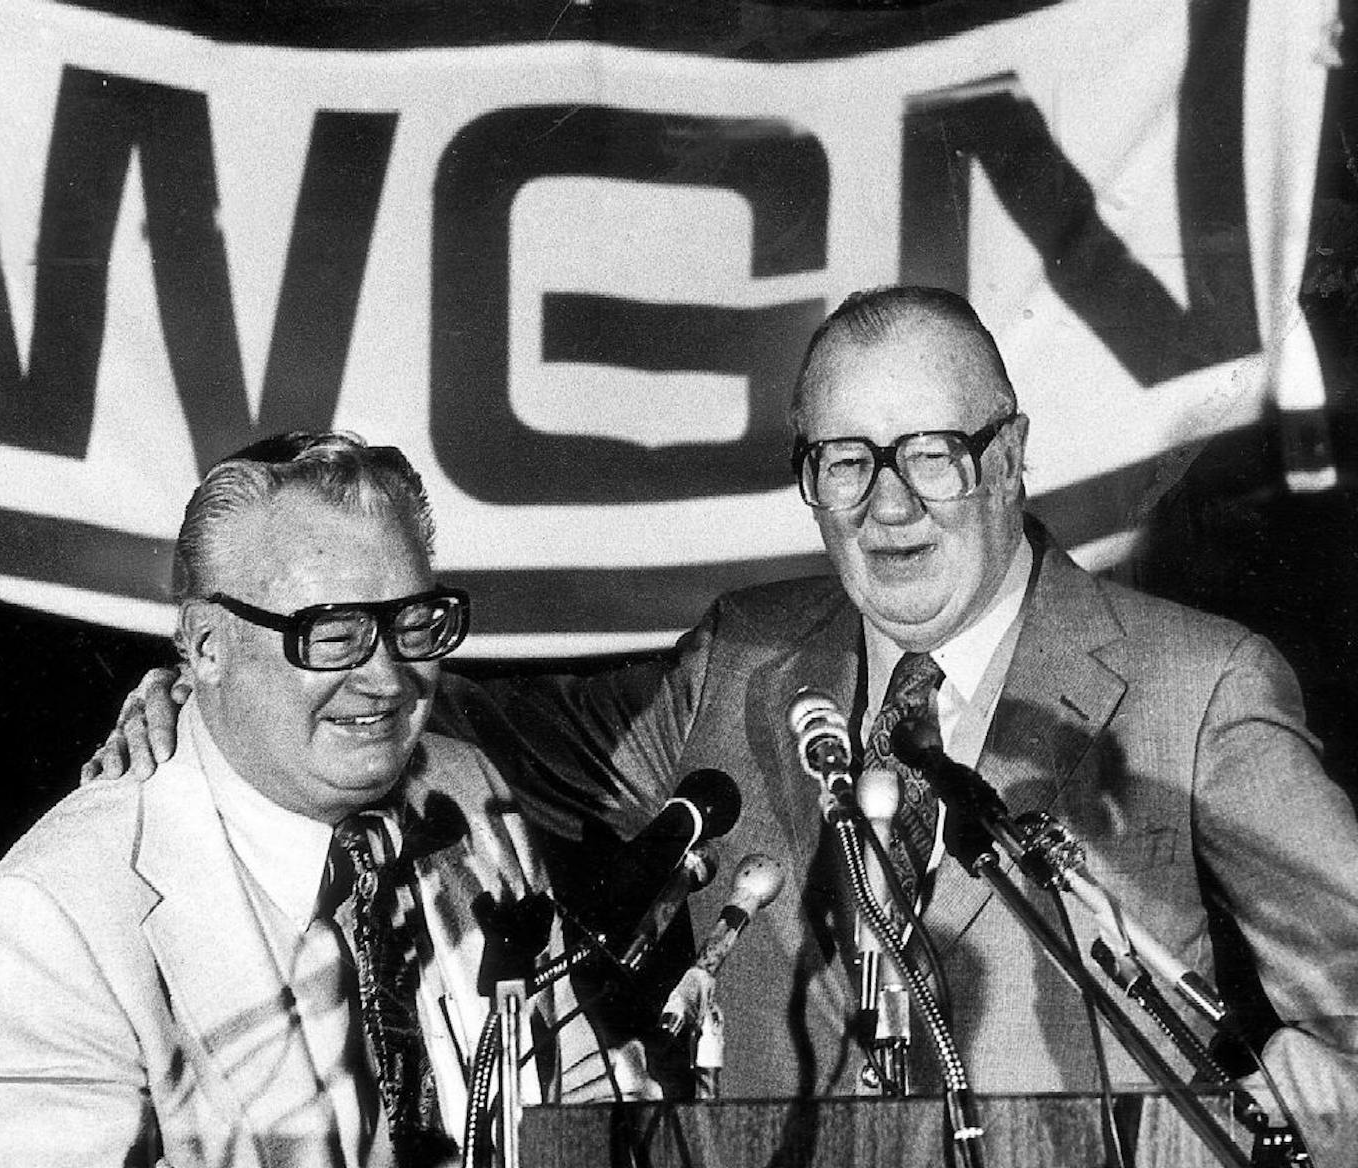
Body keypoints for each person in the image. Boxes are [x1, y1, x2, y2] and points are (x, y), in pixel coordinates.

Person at [86, 289, 1358, 1161]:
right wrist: (222, 689)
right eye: (843, 460)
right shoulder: (742, 654)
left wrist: (1314, 1082)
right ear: (807, 482)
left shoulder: (1201, 691)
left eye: (933, 452)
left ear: (1010, 455)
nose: (889, 505)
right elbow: (472, 720)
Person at [0, 434, 639, 1167]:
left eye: (413, 624)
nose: (388, 681)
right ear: (206, 647)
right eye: (331, 635)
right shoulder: (53, 925)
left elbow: (568, 1101)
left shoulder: (467, 793)